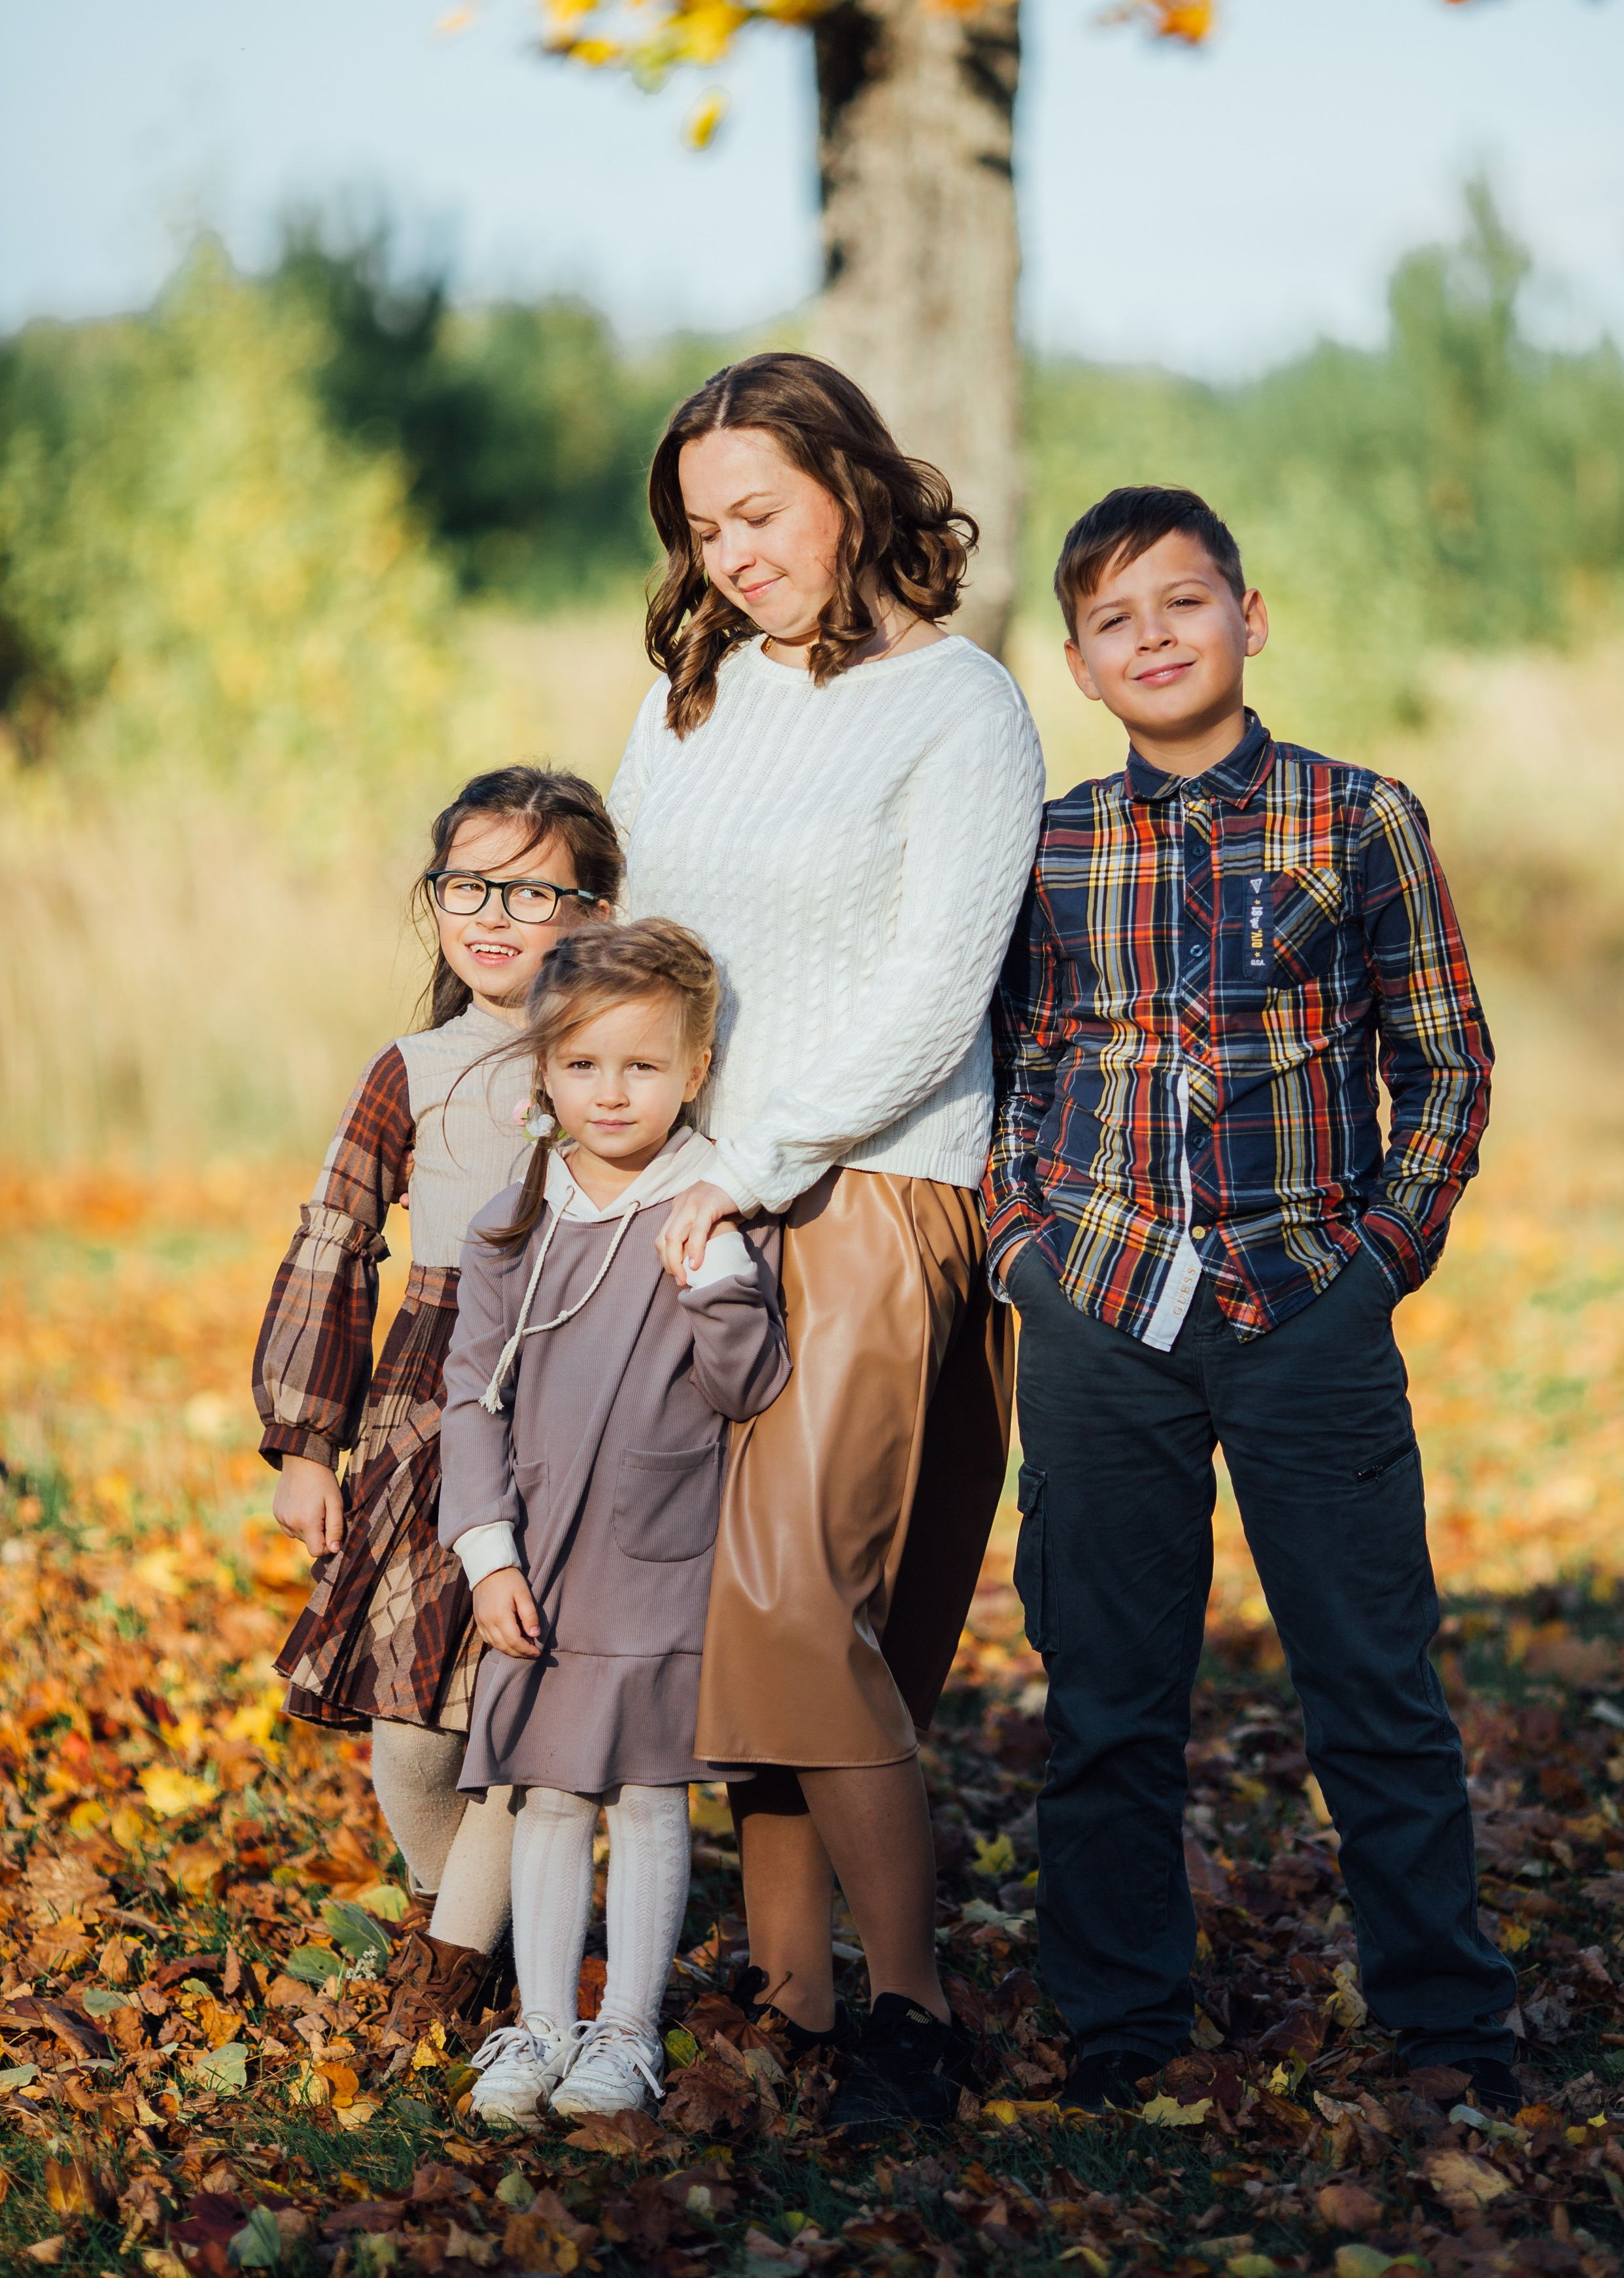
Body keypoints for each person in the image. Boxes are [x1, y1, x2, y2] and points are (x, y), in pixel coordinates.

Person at [984, 484, 1519, 2110]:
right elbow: (1012, 1065)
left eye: (1181, 604)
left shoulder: (1359, 821)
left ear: (1248, 618)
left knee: (1372, 1684)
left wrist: (1374, 1264)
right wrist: (1021, 1248)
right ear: (1077, 664)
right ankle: (1122, 2027)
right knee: (1106, 1697)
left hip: (1304, 1308)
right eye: (1112, 620)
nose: (1151, 637)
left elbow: (1442, 1062)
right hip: (1098, 1311)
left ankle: (1444, 2026)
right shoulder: (1049, 843)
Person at [606, 351, 1045, 2134]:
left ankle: (914, 2015)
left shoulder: (964, 707)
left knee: (806, 1607)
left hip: (873, 1187)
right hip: (696, 1196)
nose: (735, 557)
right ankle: (790, 1993)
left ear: (853, 489)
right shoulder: (690, 701)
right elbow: (639, 942)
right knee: (733, 1621)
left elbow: (940, 997)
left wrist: (764, 1158)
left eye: (761, 514)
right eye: (705, 529)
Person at [253, 765, 621, 2033]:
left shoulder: (616, 1058)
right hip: (427, 1409)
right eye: (468, 883)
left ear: (592, 908)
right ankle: (453, 1927)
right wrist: (308, 1443)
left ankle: (489, 1968)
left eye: (532, 888)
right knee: (414, 1736)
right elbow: (335, 1243)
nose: (493, 914)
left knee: (525, 1705)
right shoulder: (411, 1067)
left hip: (578, 1402)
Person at [438, 920, 790, 2128]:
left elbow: (745, 1387)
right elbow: (467, 1396)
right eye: (583, 1066)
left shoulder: (706, 1219)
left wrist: (726, 1288)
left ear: (693, 1071)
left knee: (645, 1795)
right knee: (545, 1793)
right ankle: (540, 2027)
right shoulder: (513, 1228)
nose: (612, 1092)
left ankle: (626, 2033)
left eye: (642, 1066)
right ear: (545, 1071)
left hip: (655, 1558)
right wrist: (487, 1551)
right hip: (535, 1563)